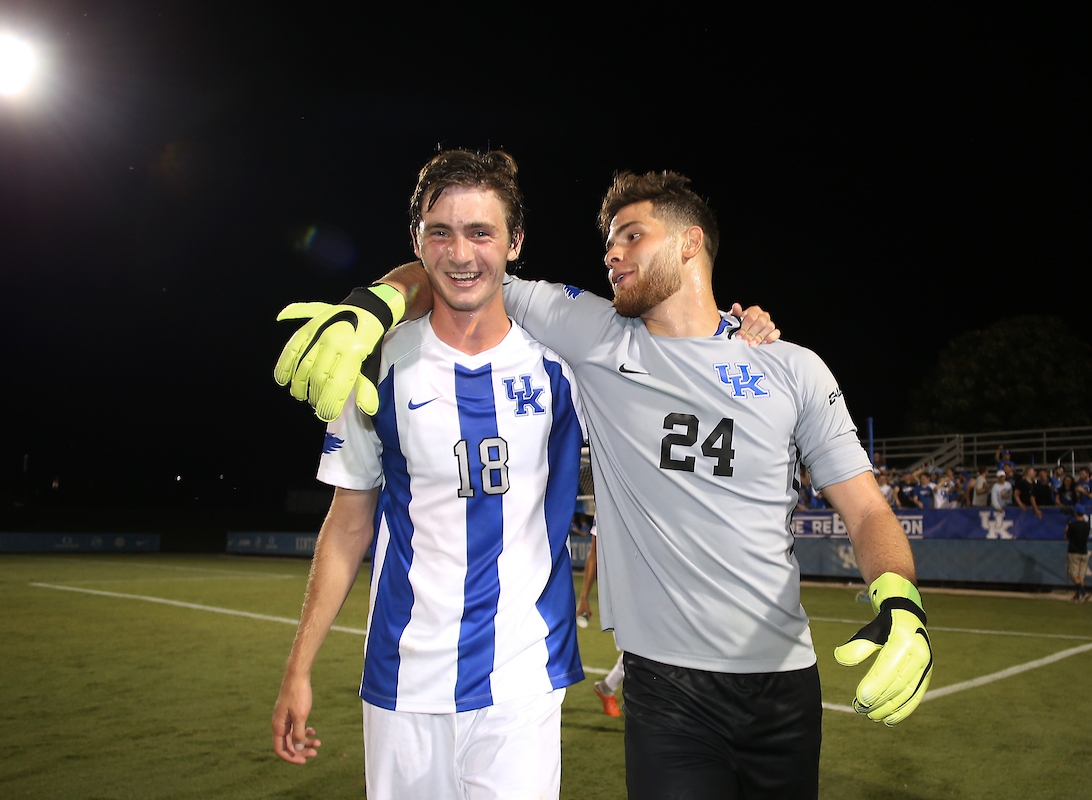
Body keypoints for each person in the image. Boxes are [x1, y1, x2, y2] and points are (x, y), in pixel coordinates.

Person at [277, 165, 933, 799]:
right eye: (609, 241)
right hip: (646, 690)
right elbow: (458, 270)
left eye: (632, 236)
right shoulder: (589, 342)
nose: (612, 255)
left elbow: (867, 508)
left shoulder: (784, 367)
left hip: (766, 681)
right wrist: (374, 302)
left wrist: (902, 601)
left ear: (689, 242)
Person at [270, 151, 590, 799]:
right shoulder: (376, 364)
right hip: (402, 676)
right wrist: (297, 668)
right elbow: (346, 526)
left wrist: (741, 330)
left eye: (481, 232)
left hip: (522, 675)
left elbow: (666, 347)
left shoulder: (565, 364)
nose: (460, 252)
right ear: (417, 240)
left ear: (515, 242)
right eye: (440, 231)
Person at [575, 521, 625, 717]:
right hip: (620, 593)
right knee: (637, 654)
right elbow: (594, 554)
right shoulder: (606, 503)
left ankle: (607, 687)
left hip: (646, 589)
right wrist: (584, 597)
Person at [1064, 505, 1090, 602]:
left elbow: (1066, 537)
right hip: (1084, 552)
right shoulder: (1087, 525)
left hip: (1074, 552)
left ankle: (1083, 592)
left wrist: (1068, 528)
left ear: (1076, 513)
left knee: (1073, 575)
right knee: (1080, 576)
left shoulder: (1073, 525)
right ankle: (1078, 596)